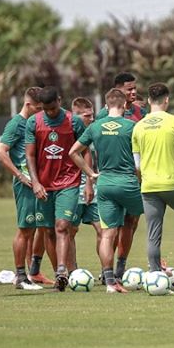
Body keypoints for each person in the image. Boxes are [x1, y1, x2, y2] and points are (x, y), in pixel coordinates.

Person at [70, 88, 143, 293]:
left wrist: (91, 173)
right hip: (129, 183)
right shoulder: (132, 126)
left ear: (106, 105)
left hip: (105, 183)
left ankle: (110, 281)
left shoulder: (95, 126)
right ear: (124, 105)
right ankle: (149, 268)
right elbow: (140, 161)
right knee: (149, 220)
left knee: (108, 234)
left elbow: (73, 152)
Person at [132, 82, 174, 272]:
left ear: (148, 100)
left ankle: (155, 273)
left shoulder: (138, 126)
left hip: (149, 186)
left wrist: (143, 181)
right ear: (167, 100)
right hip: (172, 183)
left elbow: (137, 165)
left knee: (153, 233)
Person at [25, 86, 87, 291]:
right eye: (46, 109)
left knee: (62, 226)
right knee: (48, 231)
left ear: (59, 101)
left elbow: (86, 150)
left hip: (69, 182)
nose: (50, 112)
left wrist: (89, 179)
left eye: (53, 108)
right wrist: (35, 182)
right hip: (44, 185)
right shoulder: (34, 122)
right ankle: (58, 276)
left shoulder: (74, 121)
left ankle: (62, 270)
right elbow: (30, 155)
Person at [0, 87, 44, 290]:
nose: (41, 112)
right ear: (28, 104)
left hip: (35, 183)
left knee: (32, 229)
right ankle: (20, 277)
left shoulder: (32, 122)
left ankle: (30, 275)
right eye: (38, 108)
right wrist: (20, 175)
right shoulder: (17, 123)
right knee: (24, 230)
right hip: (25, 185)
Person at [71, 96, 101, 268]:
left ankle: (106, 271)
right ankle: (72, 270)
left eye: (92, 115)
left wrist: (90, 183)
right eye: (87, 116)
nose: (91, 119)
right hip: (74, 188)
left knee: (102, 230)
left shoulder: (94, 132)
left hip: (94, 188)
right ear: (75, 116)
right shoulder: (70, 133)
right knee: (71, 231)